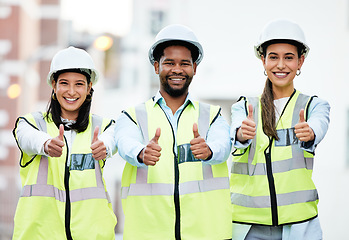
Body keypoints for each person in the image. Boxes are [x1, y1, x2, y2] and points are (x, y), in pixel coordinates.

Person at [114, 24, 232, 240]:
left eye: (184, 63)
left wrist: (209, 151)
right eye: (169, 63)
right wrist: (141, 153)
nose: (177, 69)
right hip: (149, 235)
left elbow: (223, 145)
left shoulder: (213, 115)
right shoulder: (132, 116)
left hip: (206, 234)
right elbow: (124, 142)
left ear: (194, 68)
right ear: (156, 66)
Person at [230, 19, 330, 240]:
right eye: (273, 57)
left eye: (289, 57)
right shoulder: (244, 107)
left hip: (298, 225)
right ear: (263, 61)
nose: (281, 65)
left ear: (300, 61)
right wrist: (240, 134)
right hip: (249, 226)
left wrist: (311, 133)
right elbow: (235, 133)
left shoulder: (314, 106)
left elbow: (319, 125)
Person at [12, 46, 117, 240]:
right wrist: (45, 144)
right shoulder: (32, 124)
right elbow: (27, 138)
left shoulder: (103, 127)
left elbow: (112, 140)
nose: (71, 91)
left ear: (89, 87)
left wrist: (105, 146)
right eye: (64, 83)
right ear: (54, 85)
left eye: (79, 84)